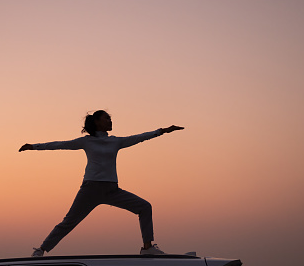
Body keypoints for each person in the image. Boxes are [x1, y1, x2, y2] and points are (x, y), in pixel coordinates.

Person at [19, 110, 184, 257]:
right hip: (90, 190)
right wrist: (34, 146)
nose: (110, 121)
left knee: (144, 207)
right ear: (97, 121)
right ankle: (41, 250)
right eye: (107, 118)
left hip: (112, 190)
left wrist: (162, 131)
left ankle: (147, 248)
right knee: (68, 222)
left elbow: (139, 138)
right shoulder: (86, 142)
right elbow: (60, 145)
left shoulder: (116, 141)